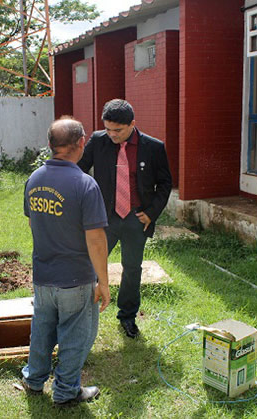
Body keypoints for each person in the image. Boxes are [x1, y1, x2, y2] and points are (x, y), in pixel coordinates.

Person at [22, 117, 110, 406]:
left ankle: (34, 379)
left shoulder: (34, 180)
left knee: (42, 329)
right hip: (75, 278)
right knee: (76, 335)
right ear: (81, 143)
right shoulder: (85, 184)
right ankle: (66, 390)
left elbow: (35, 222)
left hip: (43, 275)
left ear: (50, 145)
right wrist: (103, 282)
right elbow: (96, 240)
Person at [78, 99, 172, 339]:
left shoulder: (153, 147)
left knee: (132, 268)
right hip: (103, 219)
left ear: (132, 124)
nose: (112, 134)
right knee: (89, 265)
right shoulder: (98, 141)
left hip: (135, 218)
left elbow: (165, 183)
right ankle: (82, 314)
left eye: (117, 130)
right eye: (107, 129)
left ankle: (127, 317)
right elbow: (78, 170)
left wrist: (151, 213)